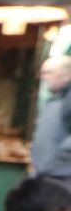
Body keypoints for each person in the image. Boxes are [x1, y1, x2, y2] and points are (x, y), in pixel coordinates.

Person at [29, 53, 71, 183]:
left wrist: (59, 158)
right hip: (48, 175)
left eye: (48, 72)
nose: (43, 77)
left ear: (67, 74)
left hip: (62, 178)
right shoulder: (56, 98)